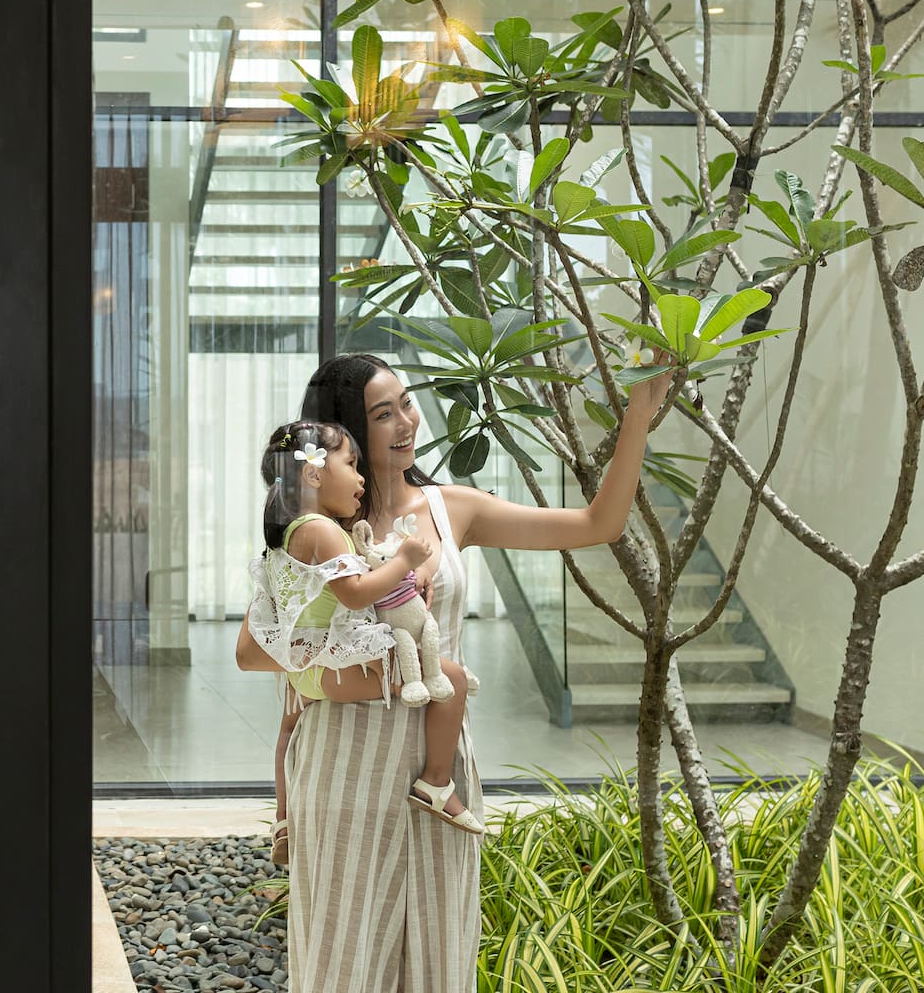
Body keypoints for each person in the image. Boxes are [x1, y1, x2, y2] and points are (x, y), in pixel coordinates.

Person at [238, 352, 671, 991]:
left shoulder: (450, 509)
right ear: (342, 436)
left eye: (407, 404)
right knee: (341, 961)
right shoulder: (314, 532)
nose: (407, 422)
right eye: (383, 414)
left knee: (440, 957)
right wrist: (365, 673)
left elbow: (597, 524)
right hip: (344, 762)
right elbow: (252, 649)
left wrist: (637, 417)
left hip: (437, 770)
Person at [246, 421, 481, 868]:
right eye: (351, 464)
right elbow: (357, 592)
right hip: (337, 667)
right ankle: (436, 782)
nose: (360, 478)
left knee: (286, 731)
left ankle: (283, 819)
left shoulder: (289, 531)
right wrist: (408, 561)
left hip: (308, 672)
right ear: (314, 474)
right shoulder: (324, 530)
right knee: (450, 678)